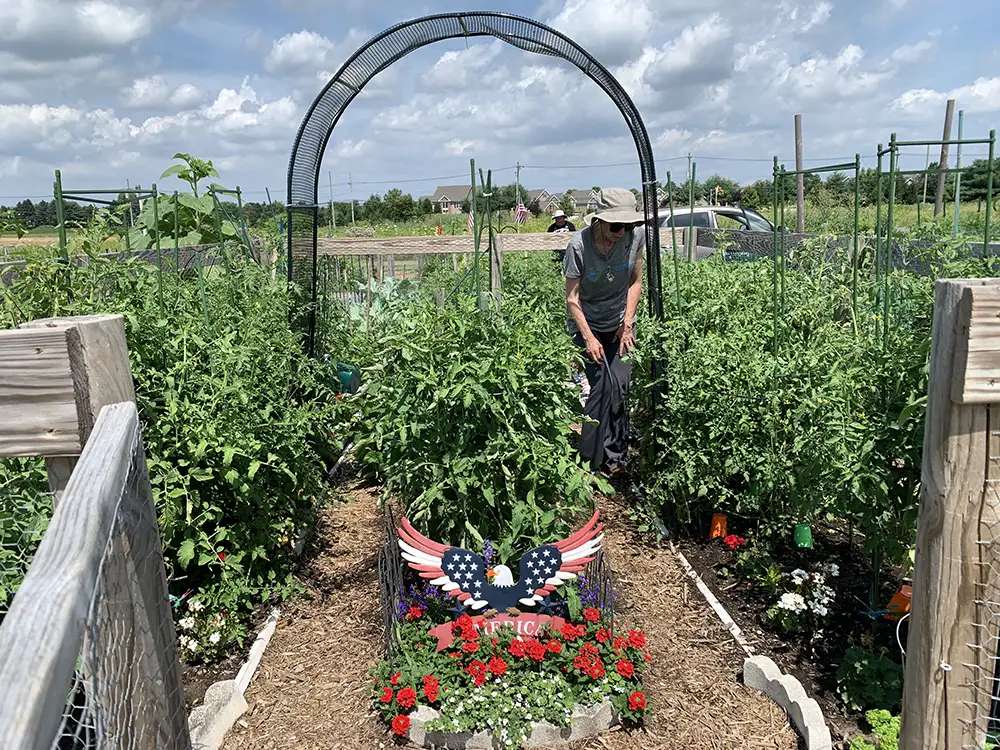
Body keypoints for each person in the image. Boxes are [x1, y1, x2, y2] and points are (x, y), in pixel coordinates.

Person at [563, 188, 644, 476]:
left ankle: (615, 459)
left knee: (620, 385)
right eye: (616, 225)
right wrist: (589, 337)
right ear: (599, 221)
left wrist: (628, 323)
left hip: (620, 322)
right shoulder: (579, 246)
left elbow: (636, 282)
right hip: (587, 322)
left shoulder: (634, 238)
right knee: (599, 387)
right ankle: (588, 461)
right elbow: (572, 299)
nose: (622, 231)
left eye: (629, 224)